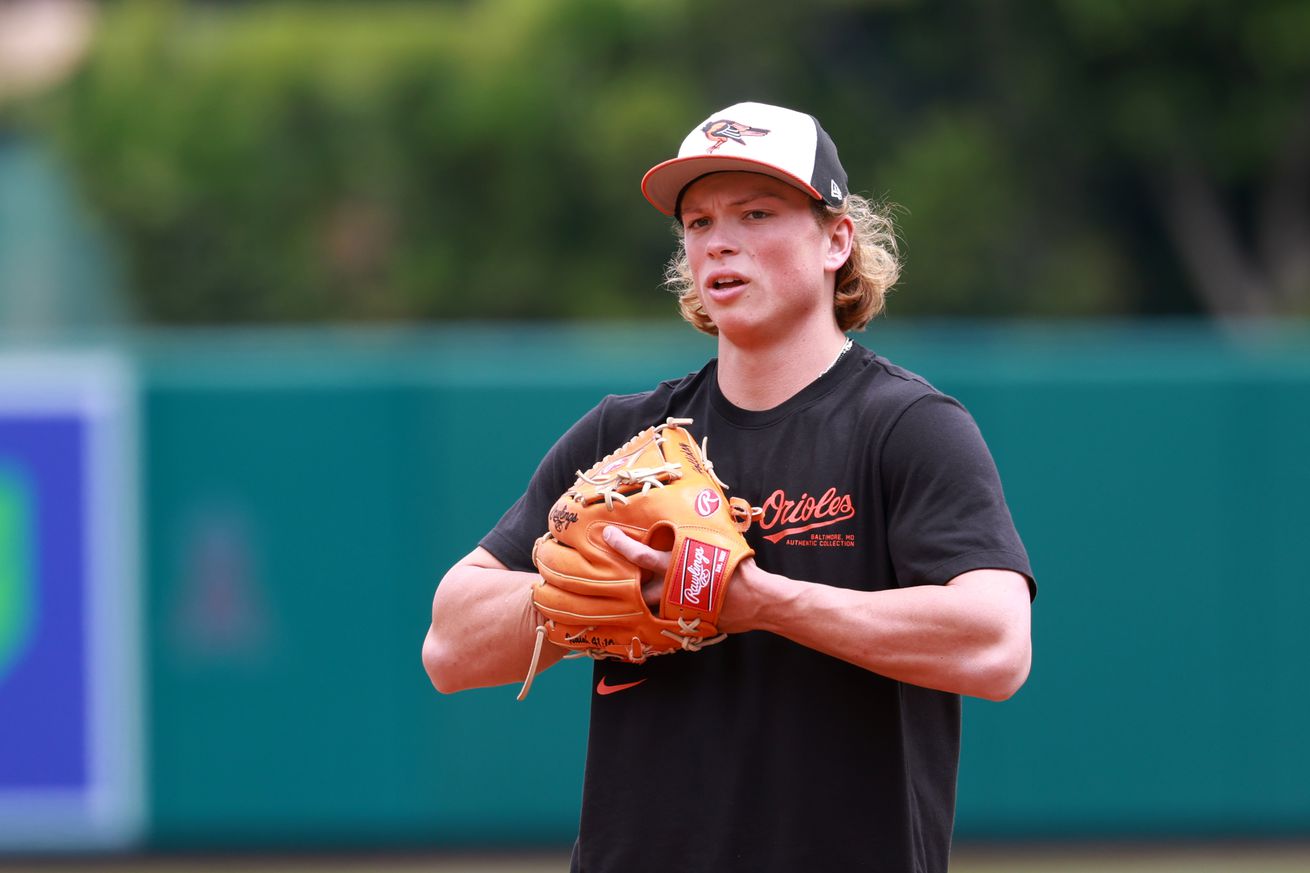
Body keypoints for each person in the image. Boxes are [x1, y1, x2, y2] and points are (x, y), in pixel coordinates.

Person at [422, 101, 1035, 873]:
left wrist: (754, 600)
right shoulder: (628, 437)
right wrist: (586, 596)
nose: (721, 241)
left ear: (836, 240)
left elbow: (997, 644)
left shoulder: (907, 427)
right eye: (699, 221)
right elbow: (448, 644)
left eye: (756, 212)